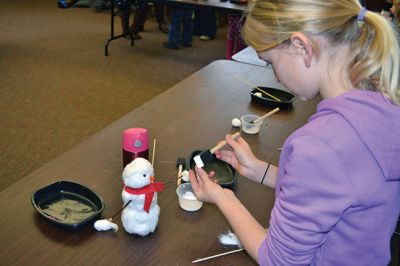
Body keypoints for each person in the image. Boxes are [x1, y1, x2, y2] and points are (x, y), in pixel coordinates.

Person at [189, 0, 400, 265]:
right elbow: (336, 188)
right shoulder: (384, 107)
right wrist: (257, 168)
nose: (276, 76)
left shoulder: (320, 146)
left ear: (301, 47)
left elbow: (278, 260)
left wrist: (222, 196)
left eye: (270, 62)